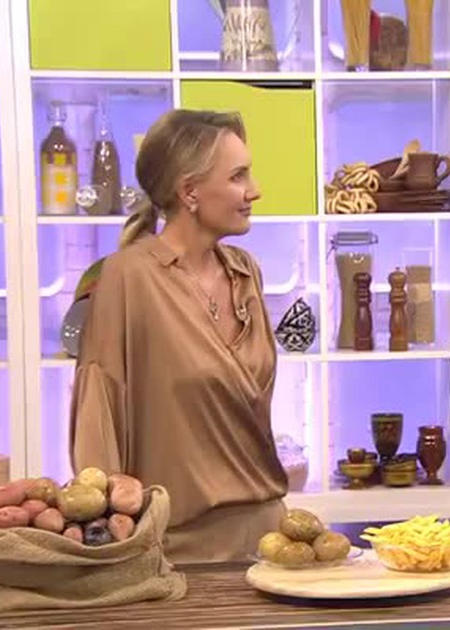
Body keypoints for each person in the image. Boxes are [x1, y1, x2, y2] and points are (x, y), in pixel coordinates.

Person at [69, 109, 289, 564]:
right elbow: (98, 417)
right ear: (189, 191)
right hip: (177, 550)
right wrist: (106, 542)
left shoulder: (246, 271)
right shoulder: (127, 277)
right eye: (238, 176)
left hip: (269, 540)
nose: (255, 190)